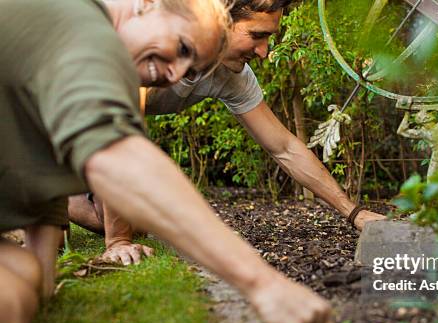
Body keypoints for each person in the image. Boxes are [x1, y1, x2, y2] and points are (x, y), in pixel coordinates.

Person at [0, 0, 335, 323]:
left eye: (191, 68)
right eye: (183, 48)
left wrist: (42, 278)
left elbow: (38, 156)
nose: (175, 76)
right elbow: (118, 159)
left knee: (22, 292)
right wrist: (262, 283)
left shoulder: (76, 58)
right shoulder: (78, 26)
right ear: (148, 5)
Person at [68, 0, 387, 265]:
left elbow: (284, 147)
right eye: (256, 35)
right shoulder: (151, 37)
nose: (263, 51)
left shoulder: (231, 75)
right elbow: (120, 132)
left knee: (131, 218)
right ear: (220, 18)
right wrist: (117, 242)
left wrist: (355, 214)